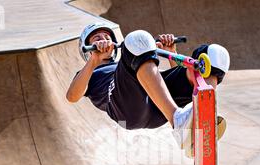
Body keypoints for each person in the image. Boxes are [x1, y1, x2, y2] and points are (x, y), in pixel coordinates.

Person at [66, 23, 230, 156]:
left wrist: (171, 52)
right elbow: (72, 96)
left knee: (214, 54)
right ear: (87, 48)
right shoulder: (89, 73)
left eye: (106, 37)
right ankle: (178, 122)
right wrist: (94, 60)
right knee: (137, 39)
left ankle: (200, 118)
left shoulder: (125, 63)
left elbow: (181, 85)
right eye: (97, 38)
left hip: (159, 108)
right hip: (126, 108)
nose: (103, 40)